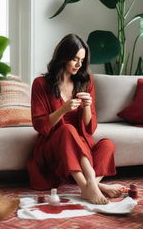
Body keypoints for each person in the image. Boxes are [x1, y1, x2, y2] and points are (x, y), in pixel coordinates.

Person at [27, 33, 124, 204]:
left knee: (107, 144)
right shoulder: (41, 84)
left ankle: (91, 185)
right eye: (74, 59)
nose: (79, 64)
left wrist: (87, 106)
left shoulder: (86, 81)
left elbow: (89, 128)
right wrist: (63, 109)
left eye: (82, 60)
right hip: (54, 147)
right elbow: (40, 125)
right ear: (63, 57)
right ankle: (91, 186)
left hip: (81, 146)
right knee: (67, 129)